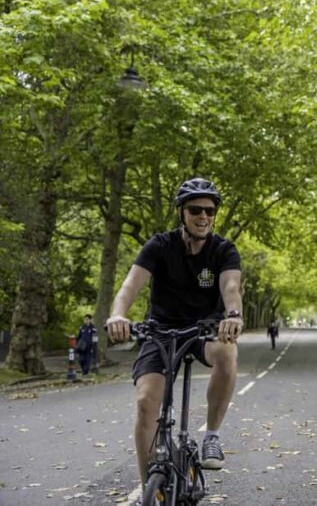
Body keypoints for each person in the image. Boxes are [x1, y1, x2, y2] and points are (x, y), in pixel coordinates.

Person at [106, 177, 243, 489]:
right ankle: (150, 490)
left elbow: (231, 288)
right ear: (181, 212)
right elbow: (130, 285)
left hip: (203, 331)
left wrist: (233, 315)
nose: (203, 216)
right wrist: (118, 314)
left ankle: (212, 436)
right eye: (195, 209)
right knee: (146, 403)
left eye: (210, 210)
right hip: (161, 331)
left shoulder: (224, 250)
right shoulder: (159, 245)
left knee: (227, 350)